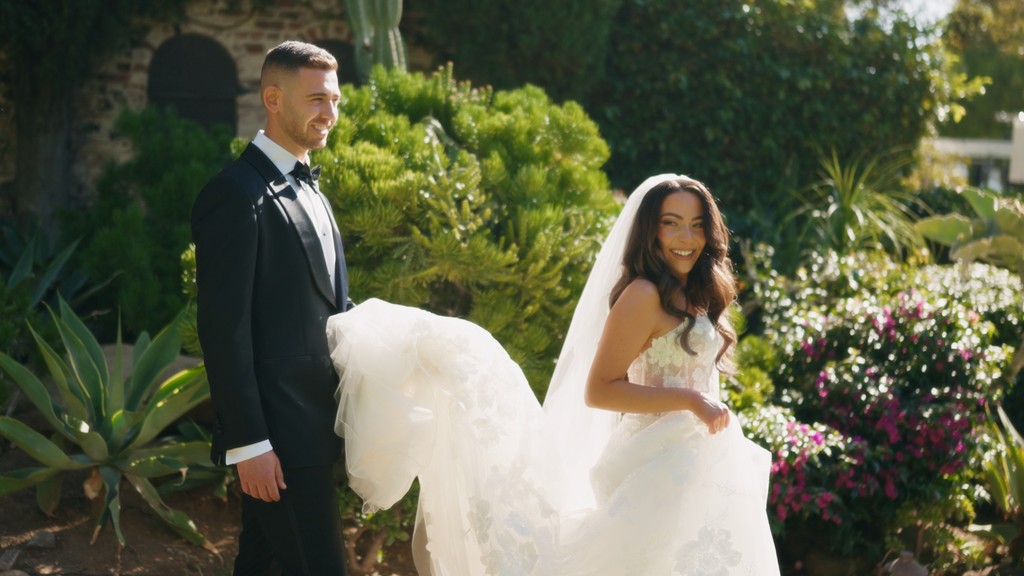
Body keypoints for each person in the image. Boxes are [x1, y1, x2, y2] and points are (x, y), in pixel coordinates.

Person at [326, 175, 779, 575]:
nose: (687, 236)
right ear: (651, 231)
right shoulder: (643, 294)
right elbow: (600, 389)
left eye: (697, 224)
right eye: (671, 222)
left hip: (700, 458)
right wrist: (689, 401)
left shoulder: (699, 290)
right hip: (655, 464)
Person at [192, 40, 351, 575]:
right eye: (315, 100)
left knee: (259, 563)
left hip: (316, 431)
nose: (328, 113)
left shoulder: (313, 191)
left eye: (334, 99)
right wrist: (249, 444)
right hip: (277, 442)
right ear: (273, 99)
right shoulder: (234, 194)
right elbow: (223, 330)